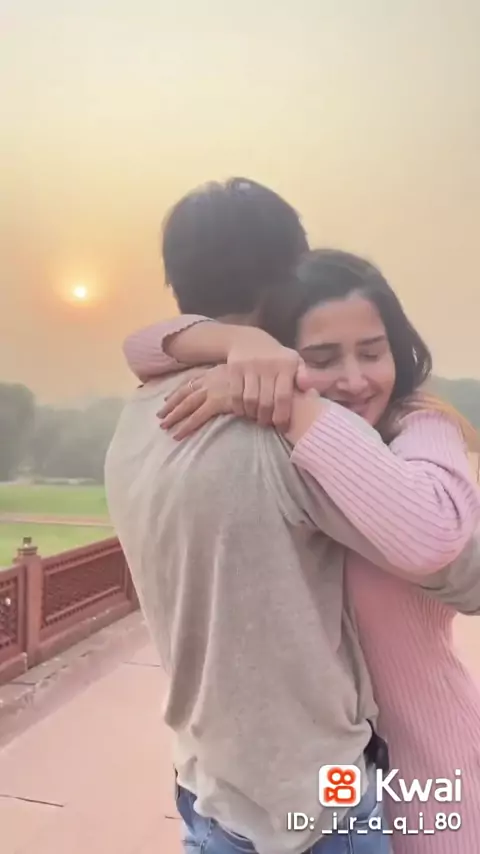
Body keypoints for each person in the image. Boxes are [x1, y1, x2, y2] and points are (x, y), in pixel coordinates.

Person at [107, 179, 480, 854]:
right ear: (287, 283)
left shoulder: (139, 419)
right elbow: (450, 556)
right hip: (317, 808)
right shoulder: (282, 432)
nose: (351, 377)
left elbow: (143, 344)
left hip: (219, 790)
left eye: (372, 351)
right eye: (323, 357)